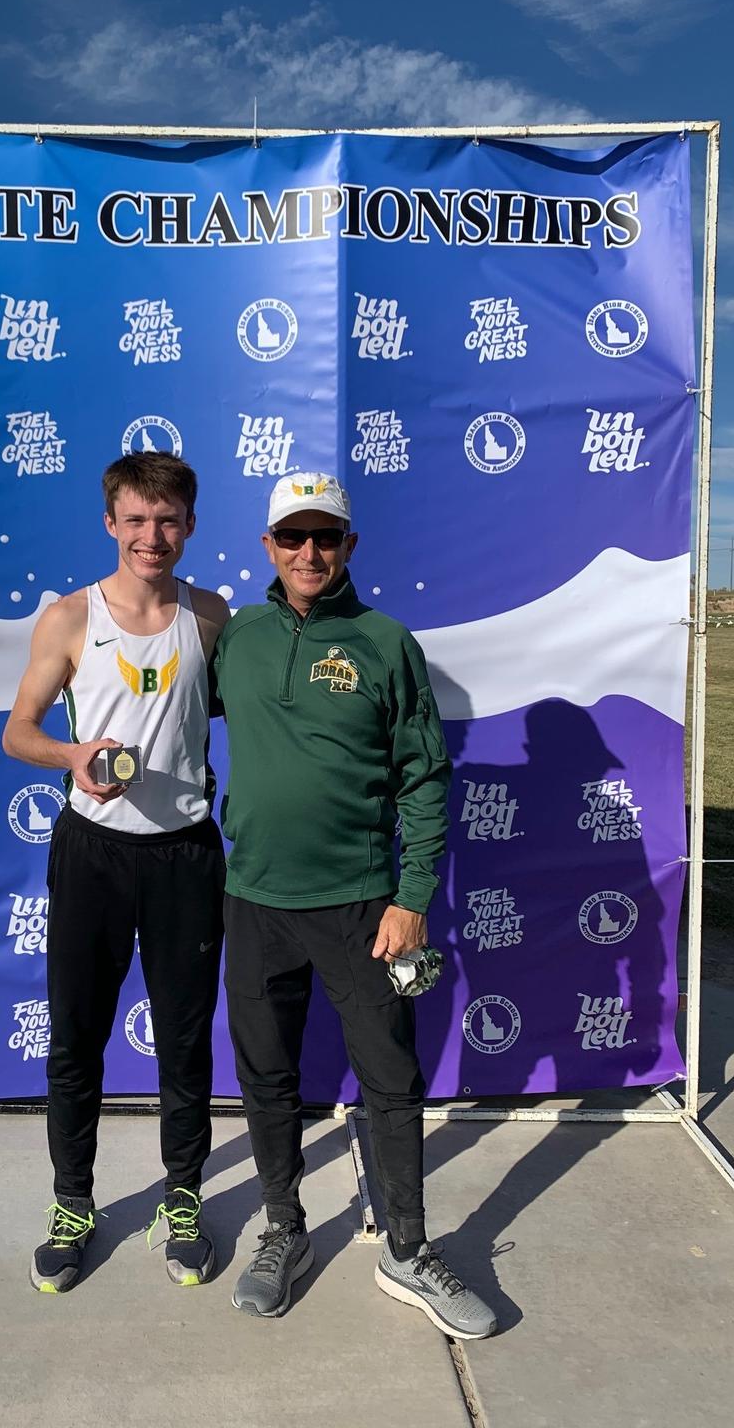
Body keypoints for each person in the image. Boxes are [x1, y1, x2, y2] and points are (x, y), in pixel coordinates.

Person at [211, 472, 496, 1338]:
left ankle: (407, 1250)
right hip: (254, 899)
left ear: (349, 546)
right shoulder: (238, 635)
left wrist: (413, 898)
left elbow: (424, 776)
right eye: (293, 537)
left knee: (390, 1079)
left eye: (325, 537)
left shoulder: (385, 642)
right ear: (268, 547)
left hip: (364, 906)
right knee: (266, 1075)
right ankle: (284, 1231)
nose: (309, 552)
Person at [3, 452, 229, 1294]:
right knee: (76, 1038)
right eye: (135, 519)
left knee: (185, 1041)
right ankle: (73, 1204)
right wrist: (71, 756)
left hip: (185, 854)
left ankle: (183, 1199)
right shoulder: (69, 618)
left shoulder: (212, 617)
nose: (151, 536)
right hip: (92, 853)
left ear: (190, 526)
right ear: (110, 524)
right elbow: (18, 731)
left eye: (167, 520)